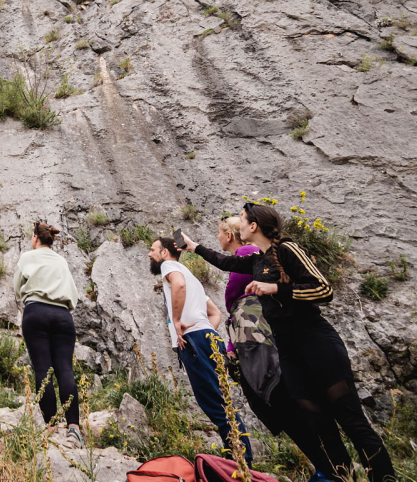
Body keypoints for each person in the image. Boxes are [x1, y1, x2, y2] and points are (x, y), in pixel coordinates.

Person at [183, 203, 395, 482]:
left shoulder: (287, 249)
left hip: (315, 340)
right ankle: (342, 477)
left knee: (349, 418)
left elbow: (323, 288)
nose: (239, 226)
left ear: (254, 226)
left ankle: (383, 477)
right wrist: (192, 246)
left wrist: (276, 288)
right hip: (289, 350)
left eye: (243, 221)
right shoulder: (256, 260)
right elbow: (225, 262)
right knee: (320, 424)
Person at [216, 216, 338, 482]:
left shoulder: (249, 253)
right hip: (250, 340)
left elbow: (248, 302)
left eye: (219, 232)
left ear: (229, 234)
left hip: (260, 342)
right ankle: (326, 468)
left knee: (283, 398)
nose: (217, 237)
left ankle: (330, 469)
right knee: (280, 402)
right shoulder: (246, 255)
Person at [148, 236, 253, 463]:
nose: (150, 254)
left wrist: (177, 321)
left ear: (165, 253)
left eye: (153, 250)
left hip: (194, 340)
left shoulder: (170, 267)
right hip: (208, 338)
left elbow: (179, 285)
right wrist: (205, 331)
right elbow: (215, 313)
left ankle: (242, 461)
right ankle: (237, 455)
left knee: (213, 403)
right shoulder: (190, 275)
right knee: (221, 399)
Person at [13, 221, 82, 447]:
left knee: (43, 369)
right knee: (65, 368)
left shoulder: (27, 257)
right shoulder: (61, 260)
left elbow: (17, 287)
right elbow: (73, 293)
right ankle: (74, 428)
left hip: (36, 312)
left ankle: (51, 426)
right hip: (63, 315)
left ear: (35, 237)